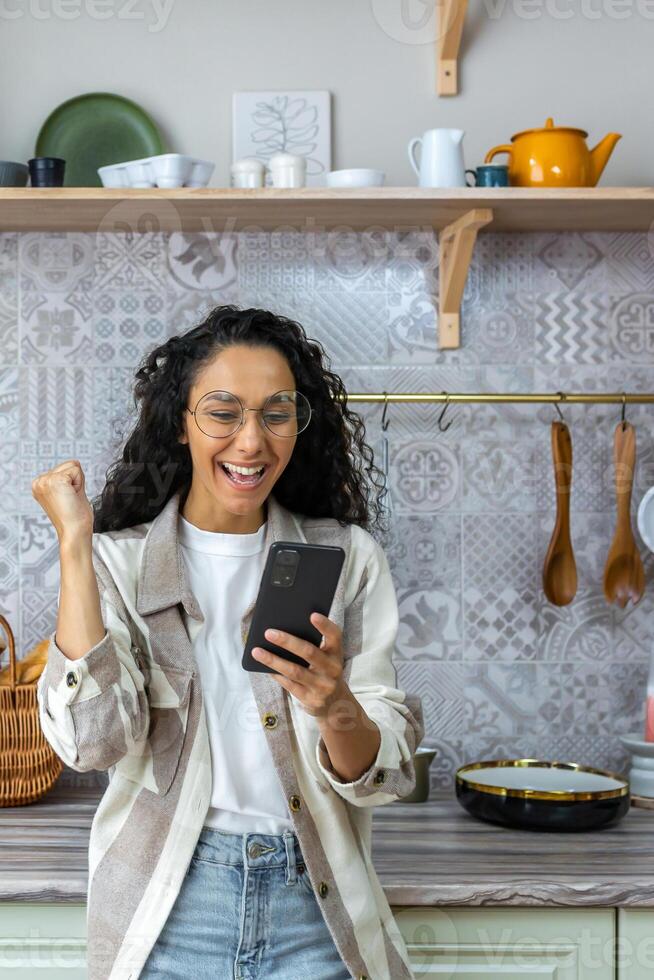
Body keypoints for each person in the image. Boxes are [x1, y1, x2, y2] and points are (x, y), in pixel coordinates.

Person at [33, 304, 424, 980]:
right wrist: (75, 544)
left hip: (318, 912)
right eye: (223, 412)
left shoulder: (347, 559)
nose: (252, 443)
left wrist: (335, 706)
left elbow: (381, 779)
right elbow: (93, 743)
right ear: (180, 425)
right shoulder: (118, 565)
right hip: (166, 913)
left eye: (276, 414)